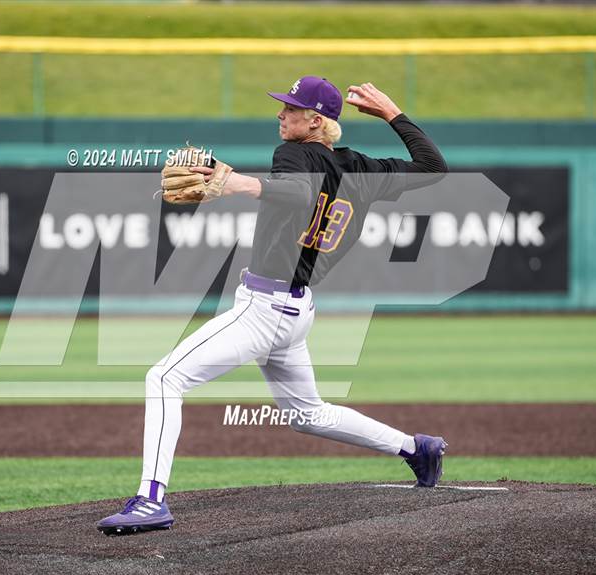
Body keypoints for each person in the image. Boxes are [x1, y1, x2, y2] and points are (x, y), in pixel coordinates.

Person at [97, 76, 449, 536]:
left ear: (316, 122)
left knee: (164, 377)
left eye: (291, 109)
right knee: (309, 414)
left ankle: (150, 500)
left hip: (263, 308)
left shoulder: (293, 154)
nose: (281, 115)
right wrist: (392, 115)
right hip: (296, 312)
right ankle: (415, 449)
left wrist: (239, 183)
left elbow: (302, 194)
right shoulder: (362, 170)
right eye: (283, 106)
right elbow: (432, 167)